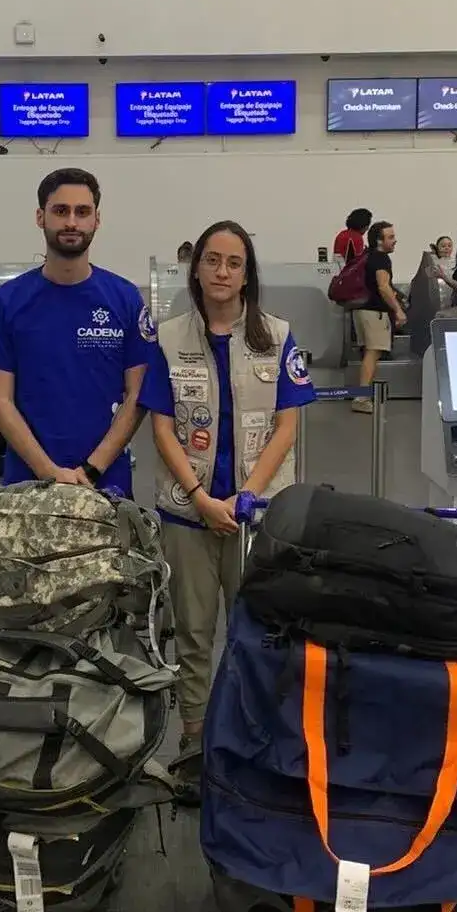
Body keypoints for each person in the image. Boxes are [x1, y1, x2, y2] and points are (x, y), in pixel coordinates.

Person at [140, 220, 316, 775]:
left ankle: (254, 736)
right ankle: (194, 741)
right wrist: (200, 497)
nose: (222, 271)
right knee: (193, 633)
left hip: (254, 518)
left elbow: (287, 427)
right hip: (187, 513)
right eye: (212, 260)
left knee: (259, 631)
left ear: (246, 275)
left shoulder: (278, 336)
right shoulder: (168, 338)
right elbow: (162, 427)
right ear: (196, 269)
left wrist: (246, 497)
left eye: (234, 263)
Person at [0, 168, 153, 495]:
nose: (72, 222)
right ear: (40, 217)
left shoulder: (126, 299)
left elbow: (137, 396)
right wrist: (48, 472)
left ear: (97, 220)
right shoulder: (7, 301)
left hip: (106, 483)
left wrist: (93, 468)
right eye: (61, 211)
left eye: (82, 212)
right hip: (28, 483)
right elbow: (0, 400)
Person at [351, 220, 405, 414]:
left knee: (369, 353)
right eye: (390, 237)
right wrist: (398, 309)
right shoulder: (381, 259)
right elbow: (383, 286)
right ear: (379, 241)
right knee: (372, 354)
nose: (395, 240)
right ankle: (362, 397)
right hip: (375, 313)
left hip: (362, 311)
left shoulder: (368, 256)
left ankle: (363, 394)